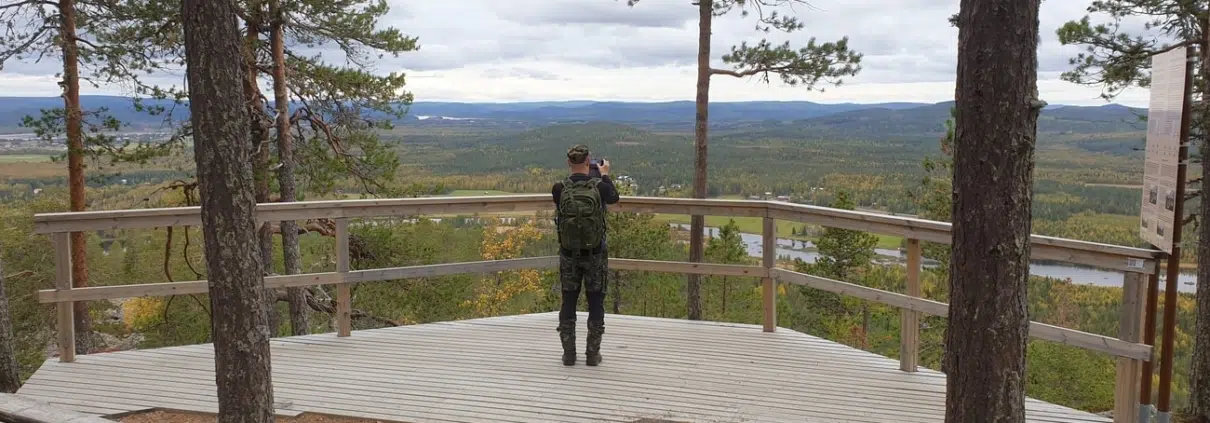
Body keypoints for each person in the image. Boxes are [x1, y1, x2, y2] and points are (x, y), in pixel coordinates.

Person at [552, 144, 620, 366]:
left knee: (568, 302)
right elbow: (614, 198)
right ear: (589, 160)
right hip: (595, 254)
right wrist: (605, 174)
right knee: (596, 302)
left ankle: (569, 354)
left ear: (568, 162)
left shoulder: (559, 188)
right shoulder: (600, 187)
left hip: (569, 255)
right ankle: (592, 354)